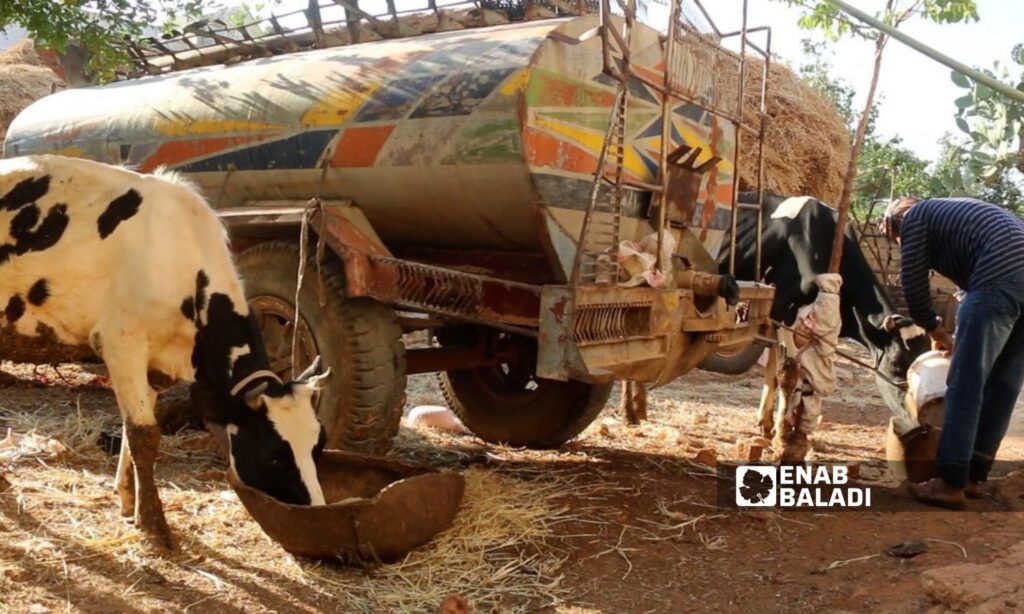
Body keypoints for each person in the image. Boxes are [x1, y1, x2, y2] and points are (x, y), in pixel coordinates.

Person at [882, 196, 1024, 509]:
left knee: (966, 382)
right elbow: (968, 288)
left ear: (896, 224)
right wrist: (951, 336)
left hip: (1000, 277)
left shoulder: (916, 217)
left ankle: (950, 481)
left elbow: (913, 285)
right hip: (1011, 273)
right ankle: (973, 477)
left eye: (897, 239)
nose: (903, 243)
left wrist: (934, 329)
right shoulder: (955, 216)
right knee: (1002, 384)